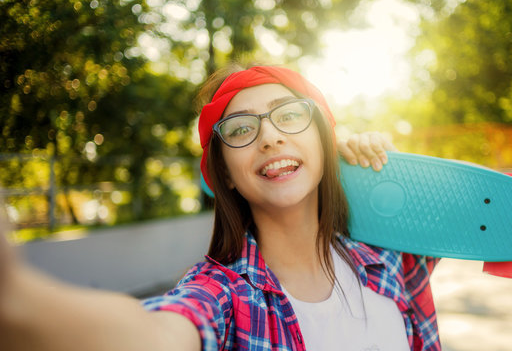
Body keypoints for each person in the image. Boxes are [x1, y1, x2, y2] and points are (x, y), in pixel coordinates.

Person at [0, 64, 439, 351]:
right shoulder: (222, 295)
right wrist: (16, 299)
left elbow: (494, 217)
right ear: (226, 173)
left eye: (289, 116)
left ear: (324, 138)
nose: (269, 137)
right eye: (241, 128)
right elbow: (160, 334)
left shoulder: (386, 255)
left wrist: (382, 171)